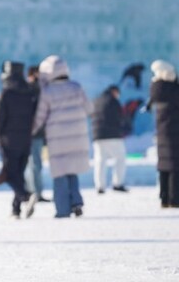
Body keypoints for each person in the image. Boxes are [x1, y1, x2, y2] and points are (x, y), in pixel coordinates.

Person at [31, 55, 93, 218]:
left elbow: (40, 116)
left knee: (60, 173)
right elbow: (89, 108)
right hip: (77, 136)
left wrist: (31, 130)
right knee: (72, 169)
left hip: (57, 137)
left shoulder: (48, 91)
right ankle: (76, 202)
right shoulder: (76, 87)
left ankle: (62, 209)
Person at [0, 61, 36, 218]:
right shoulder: (29, 93)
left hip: (8, 140)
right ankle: (16, 209)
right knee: (19, 174)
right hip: (26, 139)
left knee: (10, 174)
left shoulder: (6, 94)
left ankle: (26, 196)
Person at [149, 60, 179, 208]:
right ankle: (174, 199)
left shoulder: (156, 88)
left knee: (164, 165)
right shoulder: (173, 90)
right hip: (174, 131)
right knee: (175, 165)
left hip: (162, 132)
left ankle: (164, 197)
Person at [91, 85, 128, 194]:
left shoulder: (96, 100)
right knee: (120, 158)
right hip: (113, 134)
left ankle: (100, 186)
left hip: (98, 135)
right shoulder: (113, 101)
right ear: (114, 91)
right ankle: (117, 183)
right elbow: (120, 116)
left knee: (100, 161)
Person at [24, 65, 49, 202]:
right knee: (35, 164)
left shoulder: (29, 89)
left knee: (32, 164)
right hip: (34, 133)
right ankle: (35, 193)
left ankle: (31, 192)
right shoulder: (34, 89)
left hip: (32, 133)